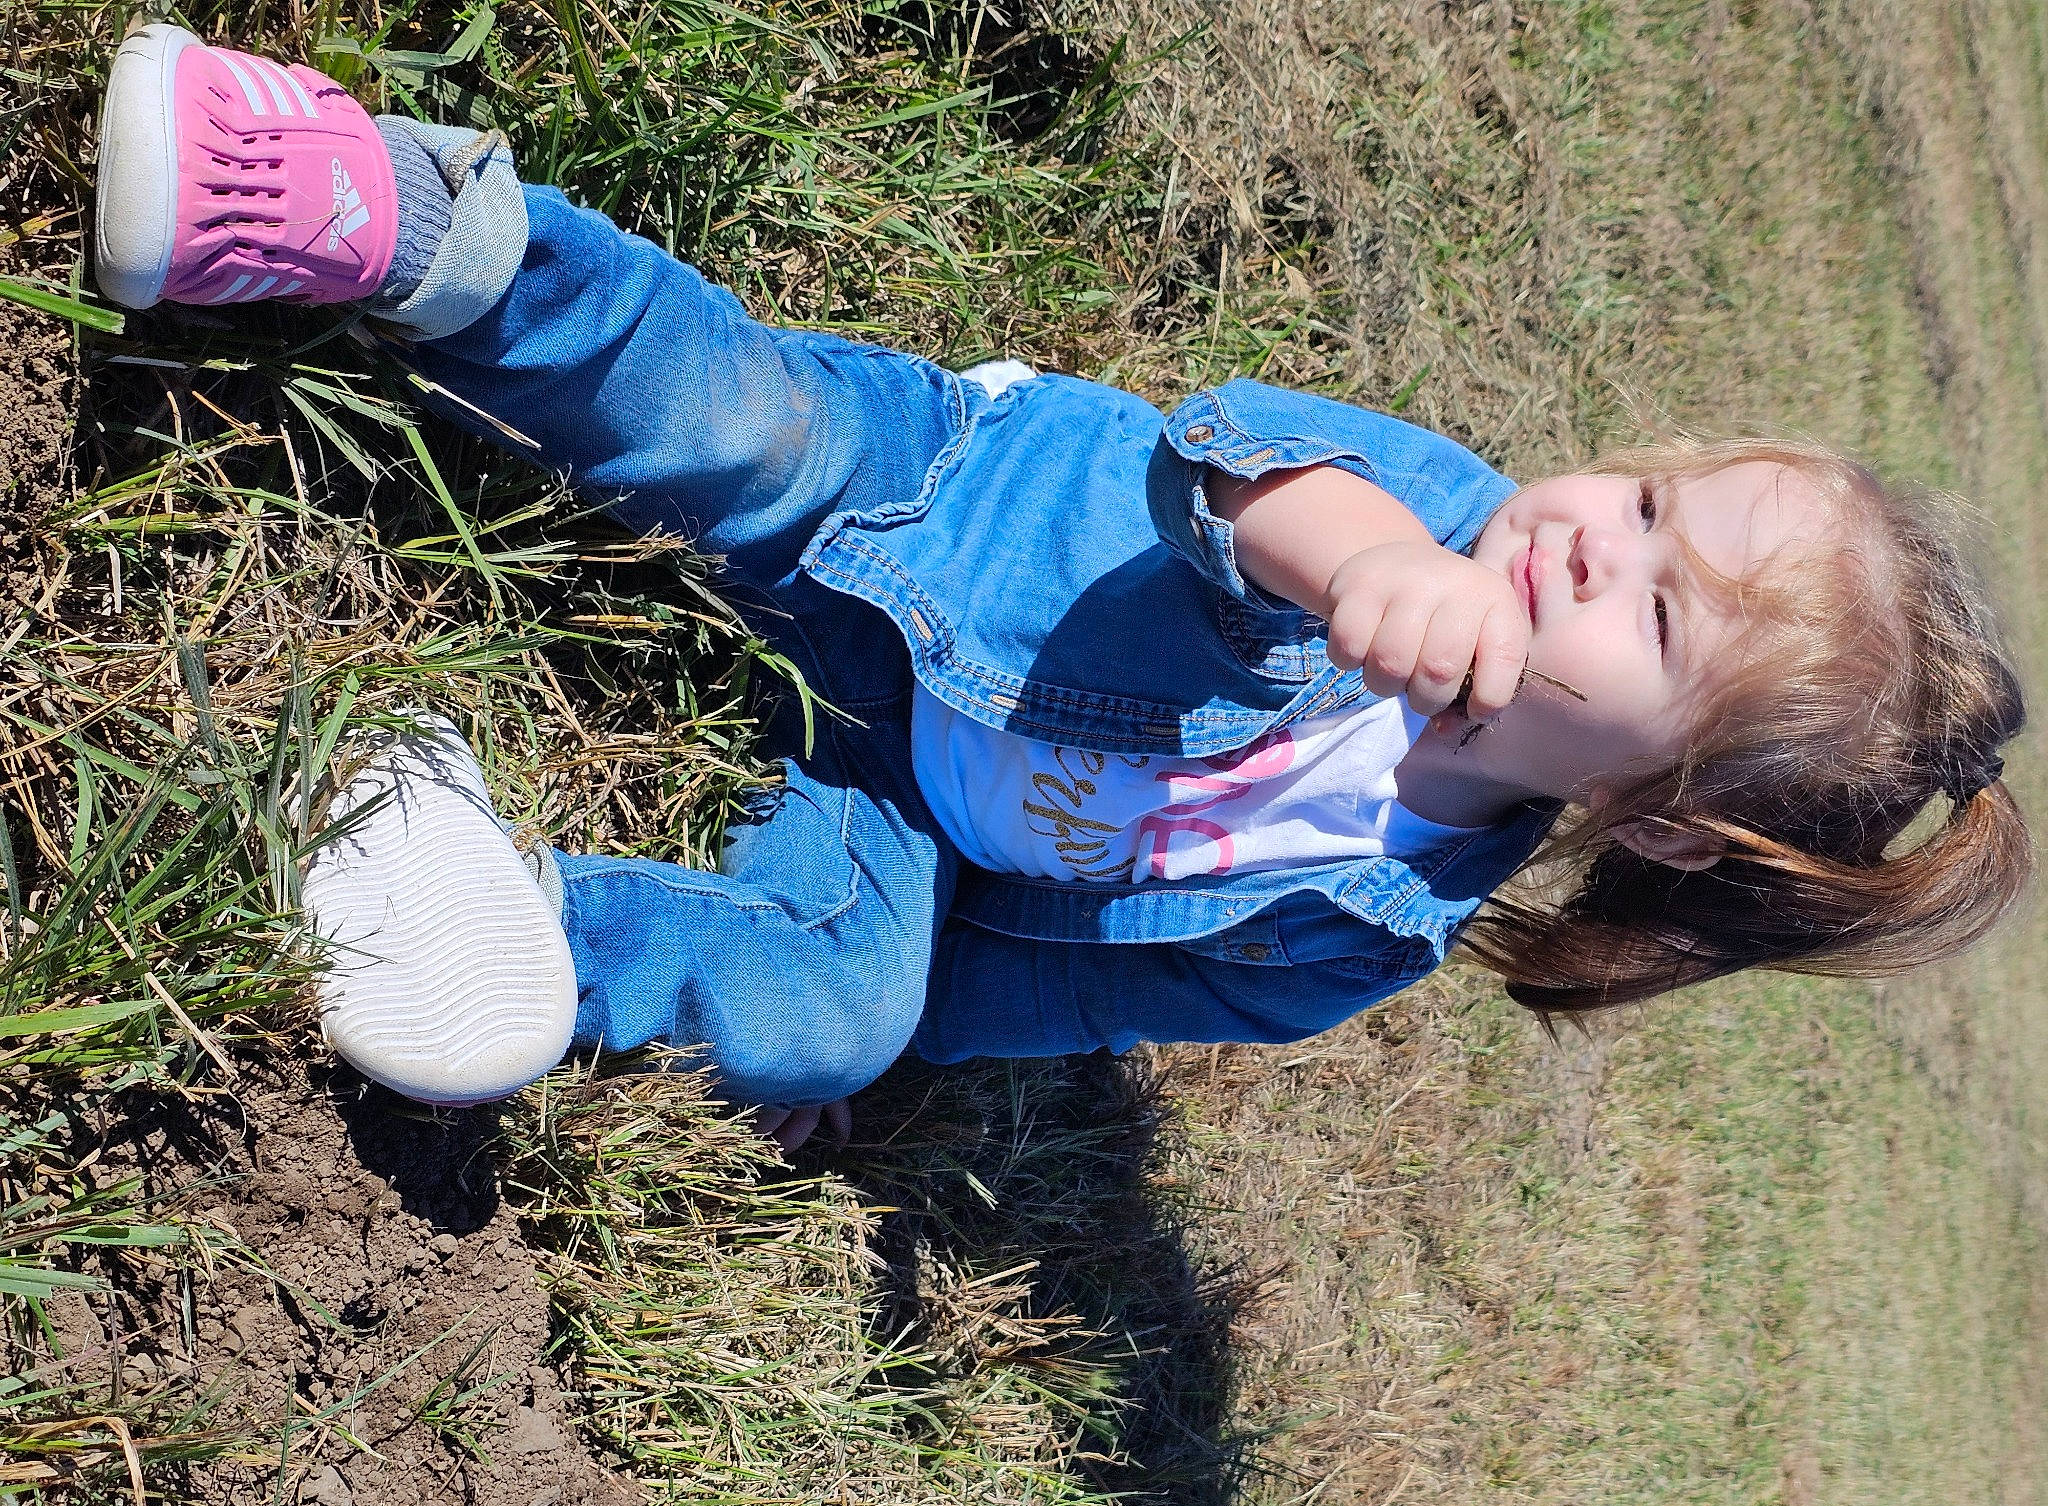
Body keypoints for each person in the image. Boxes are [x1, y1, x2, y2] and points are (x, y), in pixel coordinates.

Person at [93, 26, 2033, 1149]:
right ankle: (390, 227)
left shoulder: (1363, 929)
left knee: (839, 1009)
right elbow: (1224, 458)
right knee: (725, 414)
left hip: (895, 805)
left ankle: (485, 909)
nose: (1595, 537)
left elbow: (1025, 987)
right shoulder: (1415, 515)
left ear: (1673, 824)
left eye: (1662, 616)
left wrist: (856, 1016)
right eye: (1643, 499)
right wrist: (1358, 563)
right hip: (910, 509)